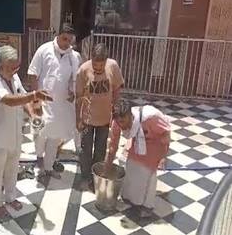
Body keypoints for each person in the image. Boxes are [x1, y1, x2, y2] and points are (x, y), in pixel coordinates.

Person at [0, 45, 52, 220]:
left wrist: (32, 114)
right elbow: (10, 100)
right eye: (12, 68)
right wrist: (35, 95)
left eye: (16, 68)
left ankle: (10, 197)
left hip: (14, 134)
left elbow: (22, 96)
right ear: (0, 67)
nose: (15, 71)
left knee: (12, 169)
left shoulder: (13, 78)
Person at [28, 24, 81, 179]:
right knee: (39, 132)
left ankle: (49, 166)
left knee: (55, 136)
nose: (67, 43)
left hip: (61, 105)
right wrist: (35, 98)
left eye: (70, 40)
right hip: (43, 102)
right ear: (57, 35)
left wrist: (73, 91)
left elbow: (75, 78)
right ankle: (39, 160)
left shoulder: (74, 56)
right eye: (64, 39)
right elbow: (32, 74)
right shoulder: (44, 50)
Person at [106, 99, 170, 218]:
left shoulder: (150, 118)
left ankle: (147, 205)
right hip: (138, 141)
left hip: (155, 141)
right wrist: (107, 166)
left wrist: (163, 157)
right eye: (119, 122)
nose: (122, 125)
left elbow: (165, 134)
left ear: (131, 116)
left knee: (147, 172)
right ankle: (130, 197)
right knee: (129, 164)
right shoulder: (117, 122)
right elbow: (113, 145)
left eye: (124, 121)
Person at [75, 43, 124, 191]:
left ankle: (96, 176)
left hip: (104, 118)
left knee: (101, 149)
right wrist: (78, 119)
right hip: (87, 119)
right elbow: (78, 97)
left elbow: (116, 90)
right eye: (95, 67)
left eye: (101, 67)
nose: (97, 70)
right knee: (85, 149)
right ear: (91, 60)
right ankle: (85, 177)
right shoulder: (83, 70)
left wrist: (116, 111)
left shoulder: (113, 66)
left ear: (106, 61)